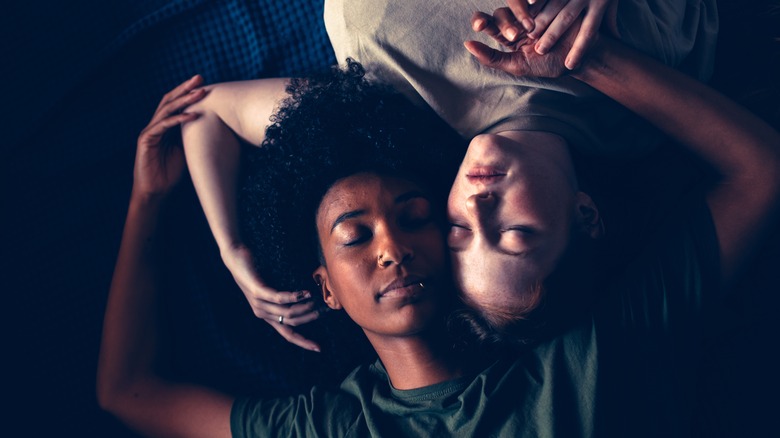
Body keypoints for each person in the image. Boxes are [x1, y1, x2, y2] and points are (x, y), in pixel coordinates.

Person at [99, 21, 780, 437]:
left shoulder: (583, 364)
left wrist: (147, 202)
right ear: (323, 287)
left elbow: (128, 391)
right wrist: (150, 200)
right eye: (355, 237)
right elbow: (127, 396)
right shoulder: (341, 426)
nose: (393, 251)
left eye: (420, 219)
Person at [182, 0, 720, 349]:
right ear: (585, 214)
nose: (478, 205)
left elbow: (207, 112)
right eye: (515, 233)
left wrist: (232, 250)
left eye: (459, 231)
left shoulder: (390, 122)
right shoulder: (639, 97)